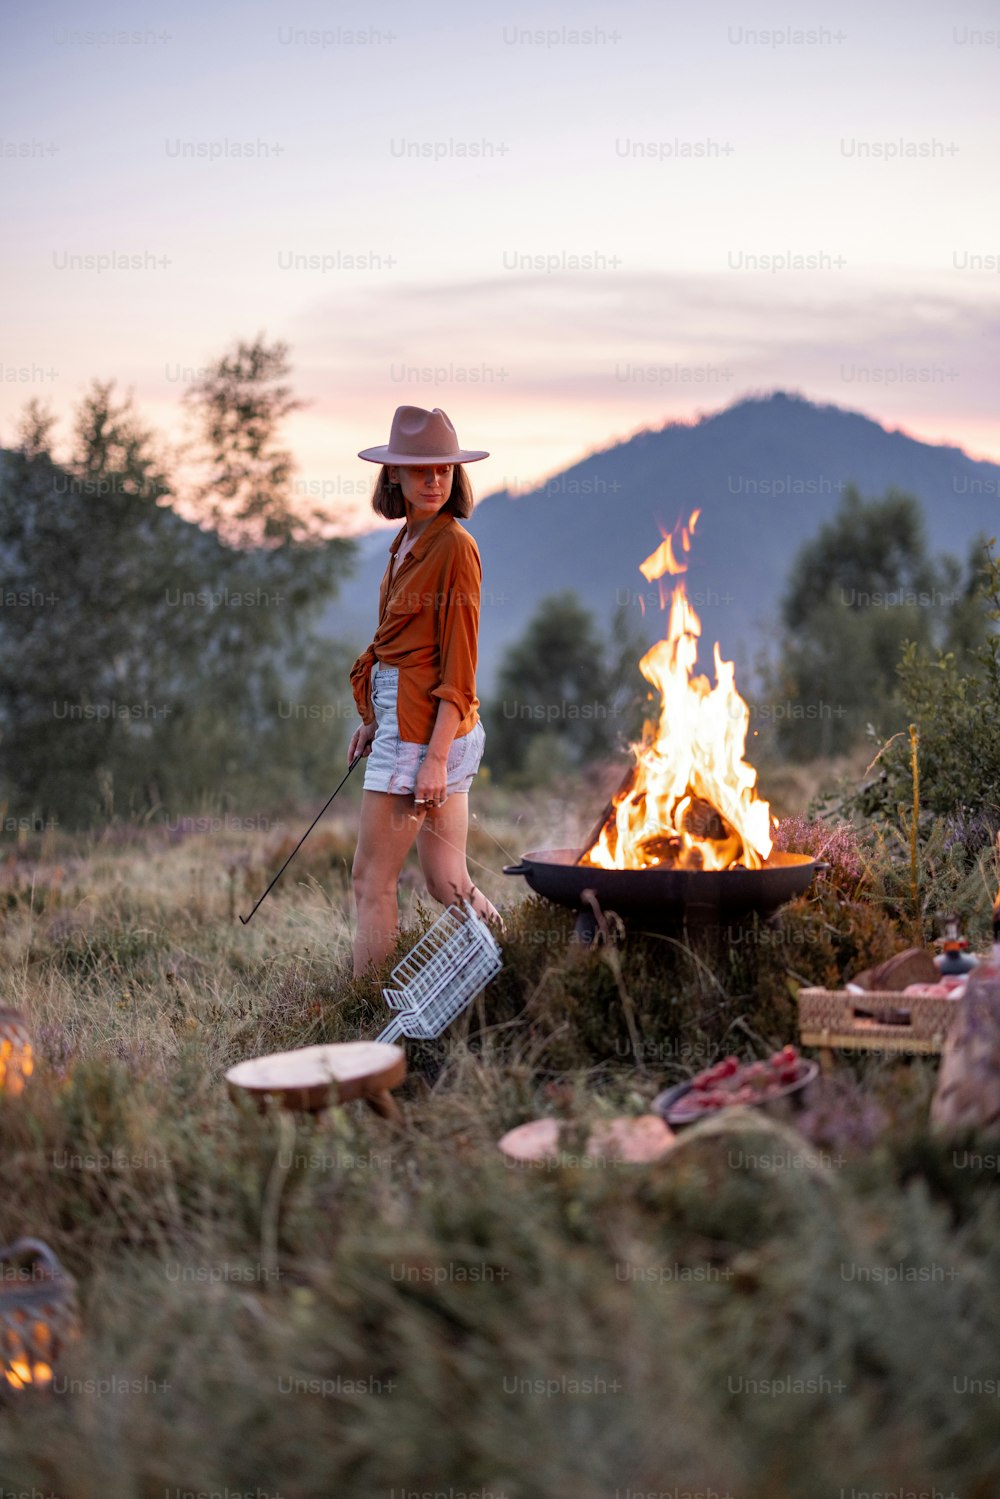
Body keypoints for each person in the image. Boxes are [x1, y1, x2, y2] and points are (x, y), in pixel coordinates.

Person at [348, 405, 502, 977]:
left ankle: (366, 1021)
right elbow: (399, 648)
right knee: (447, 882)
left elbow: (458, 670)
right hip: (413, 728)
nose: (434, 480)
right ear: (395, 476)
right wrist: (372, 722)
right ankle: (519, 958)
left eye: (443, 469)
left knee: (371, 881)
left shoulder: (454, 548)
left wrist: (432, 759)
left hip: (425, 735)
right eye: (420, 470)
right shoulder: (405, 543)